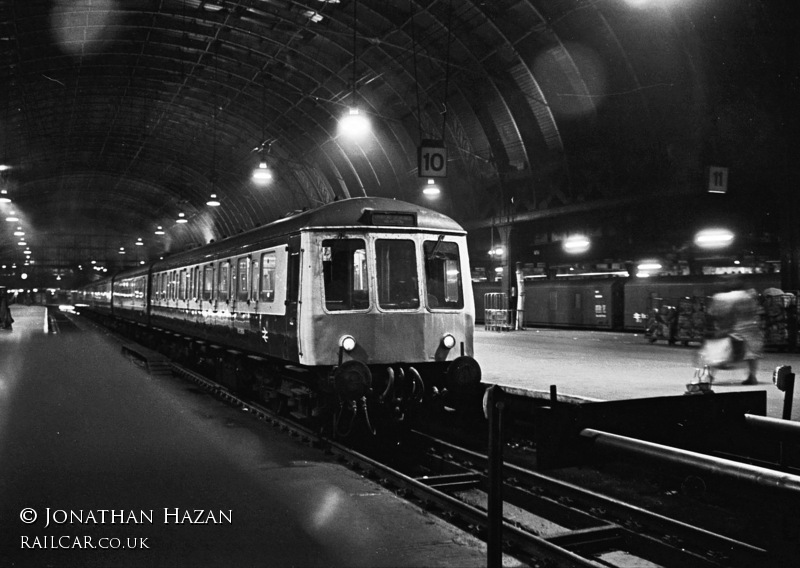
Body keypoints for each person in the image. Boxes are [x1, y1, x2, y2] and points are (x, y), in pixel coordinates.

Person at [703, 280, 763, 385]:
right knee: (751, 354)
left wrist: (721, 328)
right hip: (751, 327)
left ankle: (709, 376)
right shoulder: (749, 295)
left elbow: (717, 313)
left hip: (734, 327)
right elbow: (757, 311)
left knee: (717, 351)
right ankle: (752, 376)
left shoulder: (723, 297)